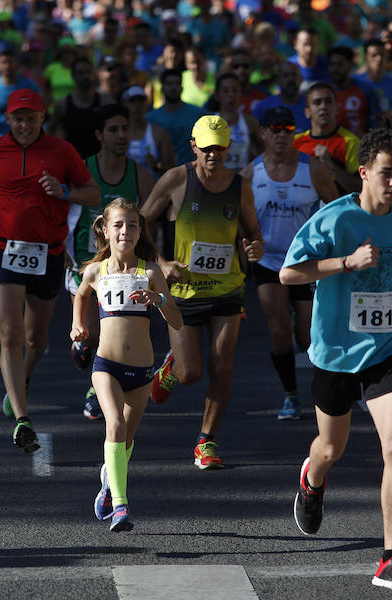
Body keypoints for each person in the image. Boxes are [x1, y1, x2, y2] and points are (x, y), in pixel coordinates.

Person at [281, 128, 392, 594]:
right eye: (385, 174)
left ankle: (391, 557)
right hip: (334, 351)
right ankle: (312, 479)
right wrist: (345, 262)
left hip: (386, 348)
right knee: (331, 448)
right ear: (365, 172)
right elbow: (289, 273)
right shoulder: (334, 220)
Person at [0, 89, 99, 452]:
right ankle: (23, 419)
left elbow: (92, 192)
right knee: (9, 334)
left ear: (42, 118)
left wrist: (64, 191)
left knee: (35, 341)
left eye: (31, 117)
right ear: (7, 120)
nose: (24, 125)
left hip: (48, 254)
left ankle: (20, 382)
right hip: (3, 251)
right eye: (17, 118)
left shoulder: (62, 152)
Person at [140, 115, 265, 469]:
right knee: (190, 373)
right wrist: (161, 262)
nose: (213, 155)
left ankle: (205, 440)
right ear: (193, 146)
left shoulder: (239, 185)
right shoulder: (176, 179)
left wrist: (254, 247)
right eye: (207, 148)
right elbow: (142, 220)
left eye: (220, 148)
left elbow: (253, 231)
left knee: (222, 362)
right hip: (184, 290)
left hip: (227, 288)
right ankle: (170, 368)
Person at [71, 198, 183, 532]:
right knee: (115, 426)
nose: (125, 231)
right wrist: (78, 327)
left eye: (132, 225)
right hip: (106, 366)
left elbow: (176, 320)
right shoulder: (96, 270)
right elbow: (80, 294)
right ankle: (121, 506)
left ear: (140, 231)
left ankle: (109, 481)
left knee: (126, 440)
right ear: (105, 231)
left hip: (142, 372)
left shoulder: (149, 271)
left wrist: (159, 300)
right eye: (118, 225)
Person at [239, 106, 337, 420]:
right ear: (263, 133)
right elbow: (237, 216)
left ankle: (334, 388)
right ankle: (291, 396)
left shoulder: (314, 169)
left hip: (305, 262)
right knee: (279, 329)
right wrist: (246, 243)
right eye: (275, 129)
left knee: (307, 335)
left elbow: (335, 210)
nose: (281, 135)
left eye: (288, 129)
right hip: (268, 262)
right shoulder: (250, 173)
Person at [67, 104, 155, 419]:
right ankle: (84, 346)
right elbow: (65, 211)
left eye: (125, 129)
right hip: (84, 263)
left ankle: (96, 385)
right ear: (98, 135)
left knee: (109, 326)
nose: (121, 136)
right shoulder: (82, 170)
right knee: (90, 329)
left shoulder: (140, 176)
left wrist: (154, 263)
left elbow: (151, 224)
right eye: (113, 130)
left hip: (124, 267)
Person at [293, 82, 360, 194]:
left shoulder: (350, 141)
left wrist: (330, 166)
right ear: (307, 112)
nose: (323, 106)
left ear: (337, 108)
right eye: (317, 102)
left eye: (328, 102)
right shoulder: (295, 143)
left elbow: (360, 189)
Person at [50, 57, 115, 160]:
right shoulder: (63, 104)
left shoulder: (105, 101)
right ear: (73, 76)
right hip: (72, 163)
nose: (85, 76)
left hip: (99, 164)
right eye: (80, 73)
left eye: (88, 72)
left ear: (94, 74)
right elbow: (51, 131)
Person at [145, 69, 207, 166]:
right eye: (169, 84)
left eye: (177, 83)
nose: (173, 87)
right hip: (162, 174)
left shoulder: (199, 114)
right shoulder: (150, 119)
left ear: (182, 87)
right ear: (162, 88)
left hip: (193, 172)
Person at [0, 49, 39, 143]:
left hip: (25, 142)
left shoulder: (30, 86)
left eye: (11, 62)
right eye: (4, 62)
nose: (7, 66)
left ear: (18, 65)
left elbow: (40, 114)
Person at [353, 39, 392, 129]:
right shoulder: (355, 82)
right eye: (374, 55)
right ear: (366, 58)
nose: (379, 58)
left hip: (383, 137)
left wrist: (389, 118)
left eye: (382, 55)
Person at [214, 73, 263, 171]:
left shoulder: (250, 122)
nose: (231, 95)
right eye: (225, 91)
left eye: (235, 90)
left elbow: (262, 150)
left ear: (241, 94)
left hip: (242, 180)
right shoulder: (209, 122)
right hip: (216, 180)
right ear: (217, 95)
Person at [326, 45, 379, 136]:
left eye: (340, 64)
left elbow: (377, 119)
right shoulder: (323, 93)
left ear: (350, 65)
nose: (335, 69)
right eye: (332, 64)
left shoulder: (365, 90)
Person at [123, 86, 175, 178]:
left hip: (153, 189)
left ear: (146, 104)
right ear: (125, 104)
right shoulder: (118, 133)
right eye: (133, 101)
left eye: (141, 101)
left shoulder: (159, 132)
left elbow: (172, 168)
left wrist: (157, 165)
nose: (137, 105)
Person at [252, 61, 309, 133]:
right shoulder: (262, 108)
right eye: (285, 75)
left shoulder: (310, 106)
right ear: (277, 80)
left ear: (301, 79)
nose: (291, 79)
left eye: (294, 75)